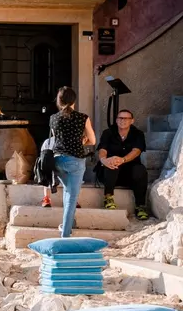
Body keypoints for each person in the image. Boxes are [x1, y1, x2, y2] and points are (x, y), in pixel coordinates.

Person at [49, 86, 96, 237]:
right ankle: (65, 233)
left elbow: (58, 139)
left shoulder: (53, 118)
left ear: (59, 100)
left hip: (57, 161)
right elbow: (93, 140)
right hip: (75, 161)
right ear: (74, 100)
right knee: (71, 197)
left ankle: (68, 222)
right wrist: (82, 141)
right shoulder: (83, 117)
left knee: (68, 191)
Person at [96, 109, 150, 220]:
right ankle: (108, 198)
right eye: (120, 118)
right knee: (112, 164)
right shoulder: (108, 132)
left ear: (132, 121)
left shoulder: (138, 134)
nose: (123, 120)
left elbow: (137, 150)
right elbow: (102, 149)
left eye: (126, 118)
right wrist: (104, 160)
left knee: (140, 169)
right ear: (116, 120)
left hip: (129, 173)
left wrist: (123, 160)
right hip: (110, 174)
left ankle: (140, 206)